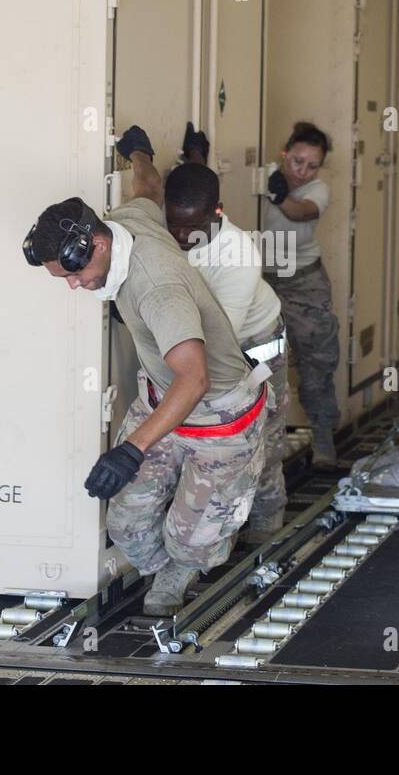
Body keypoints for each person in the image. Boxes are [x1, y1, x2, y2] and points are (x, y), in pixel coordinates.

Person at [21, 126, 267, 615]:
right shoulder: (126, 221)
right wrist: (139, 152)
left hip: (219, 415)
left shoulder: (157, 290)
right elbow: (149, 187)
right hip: (162, 400)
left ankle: (185, 565)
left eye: (74, 274)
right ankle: (166, 565)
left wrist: (130, 451)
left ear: (97, 244)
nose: (73, 286)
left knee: (190, 540)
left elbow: (194, 379)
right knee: (126, 524)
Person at [123, 123, 290, 540]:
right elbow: (147, 182)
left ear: (216, 213)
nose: (179, 237)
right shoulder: (167, 211)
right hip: (192, 343)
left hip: (249, 349)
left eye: (189, 229)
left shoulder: (237, 257)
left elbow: (217, 351)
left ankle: (264, 535)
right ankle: (202, 532)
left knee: (259, 446)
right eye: (172, 225)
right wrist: (139, 152)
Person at [260, 121, 341, 467]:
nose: (303, 171)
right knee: (259, 366)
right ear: (285, 154)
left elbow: (300, 212)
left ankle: (323, 440)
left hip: (305, 284)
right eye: (297, 161)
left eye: (312, 165)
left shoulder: (318, 190)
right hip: (263, 284)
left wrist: (279, 195)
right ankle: (263, 449)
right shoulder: (260, 179)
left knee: (316, 364)